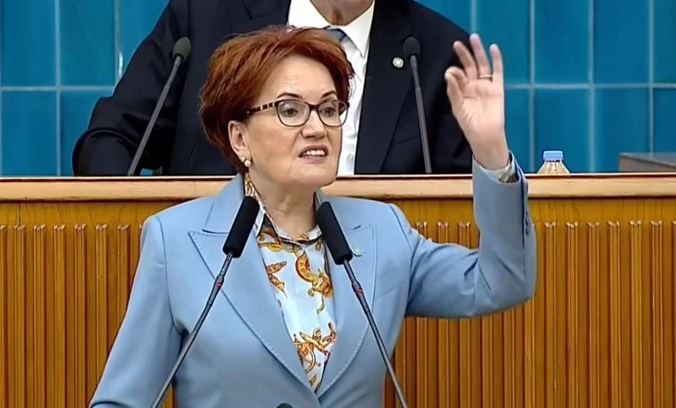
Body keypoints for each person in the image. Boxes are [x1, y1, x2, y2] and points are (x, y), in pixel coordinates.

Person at [89, 26, 536, 408]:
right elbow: (121, 401)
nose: (317, 127)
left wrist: (491, 152)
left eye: (328, 109)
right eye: (289, 110)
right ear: (240, 138)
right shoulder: (178, 241)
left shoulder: (382, 233)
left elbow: (503, 281)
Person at [73, 0, 475, 176]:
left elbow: (463, 206)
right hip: (213, 279)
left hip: (372, 289)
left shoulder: (436, 53)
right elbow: (112, 137)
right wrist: (133, 224)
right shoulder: (205, 15)